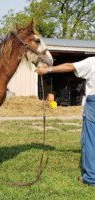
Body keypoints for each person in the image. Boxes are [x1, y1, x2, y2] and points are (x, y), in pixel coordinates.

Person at [36, 56, 95, 186]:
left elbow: (69, 66)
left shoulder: (92, 62)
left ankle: (91, 178)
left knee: (91, 139)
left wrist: (48, 70)